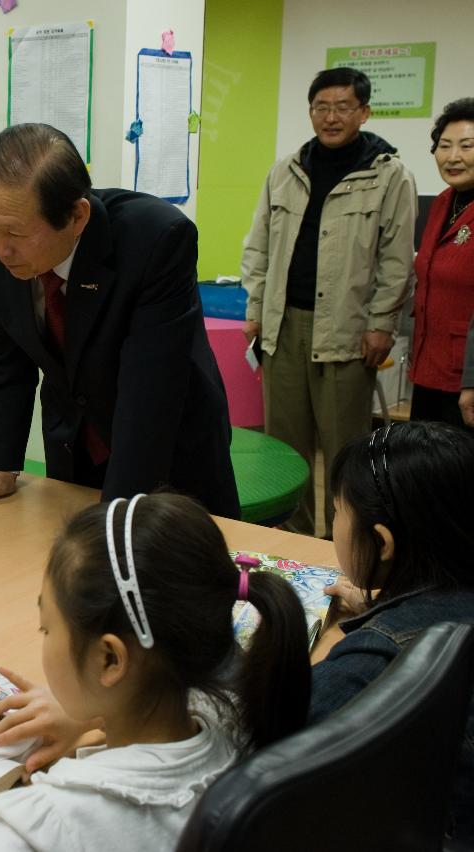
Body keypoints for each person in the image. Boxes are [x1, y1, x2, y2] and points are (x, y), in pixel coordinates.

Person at [0, 493, 311, 850]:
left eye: (48, 627)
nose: (41, 641)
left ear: (110, 660)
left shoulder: (52, 822)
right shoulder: (240, 717)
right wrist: (98, 716)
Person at [0, 123, 239, 519]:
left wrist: (114, 522)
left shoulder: (154, 241)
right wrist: (2, 464)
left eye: (16, 232)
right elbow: (8, 351)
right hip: (74, 443)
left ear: (77, 217)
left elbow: (150, 391)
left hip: (169, 448)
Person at [241, 68, 417, 535]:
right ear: (311, 111)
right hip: (283, 327)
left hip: (349, 330)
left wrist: (382, 324)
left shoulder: (388, 175)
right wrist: (255, 311)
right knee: (284, 449)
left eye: (343, 107)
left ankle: (346, 539)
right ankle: (295, 538)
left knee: (344, 448)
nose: (331, 117)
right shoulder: (286, 170)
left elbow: (397, 261)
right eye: (322, 107)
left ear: (364, 111)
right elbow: (257, 246)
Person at [315, 421, 474, 842]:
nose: (334, 525)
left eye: (337, 512)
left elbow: (268, 733)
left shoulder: (370, 663)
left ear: (382, 542)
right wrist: (380, 608)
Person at [410, 98, 474, 427]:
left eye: (467, 146)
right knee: (428, 471)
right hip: (429, 367)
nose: (453, 157)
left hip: (466, 378)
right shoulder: (442, 203)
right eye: (444, 145)